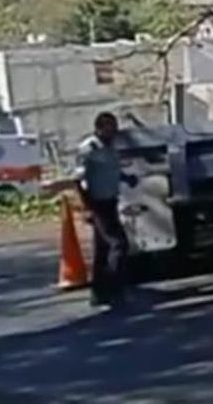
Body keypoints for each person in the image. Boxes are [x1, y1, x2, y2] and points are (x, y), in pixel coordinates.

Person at [74, 112, 136, 308]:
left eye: (115, 127)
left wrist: (127, 178)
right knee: (119, 244)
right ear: (99, 128)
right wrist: (87, 207)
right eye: (109, 127)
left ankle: (99, 293)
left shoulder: (110, 148)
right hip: (98, 204)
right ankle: (115, 290)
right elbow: (79, 180)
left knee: (102, 249)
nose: (114, 131)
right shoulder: (89, 149)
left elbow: (111, 170)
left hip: (110, 201)